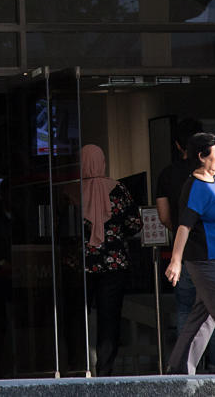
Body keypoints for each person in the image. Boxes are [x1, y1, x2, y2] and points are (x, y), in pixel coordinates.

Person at [155, 118, 215, 373]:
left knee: (202, 317)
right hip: (207, 260)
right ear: (201, 156)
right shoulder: (195, 186)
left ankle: (178, 367)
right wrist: (175, 261)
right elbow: (183, 226)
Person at [79, 144, 141, 376]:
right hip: (113, 264)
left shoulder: (72, 192)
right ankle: (104, 369)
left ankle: (77, 366)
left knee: (78, 318)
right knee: (109, 318)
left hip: (81, 265)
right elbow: (134, 223)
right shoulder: (118, 189)